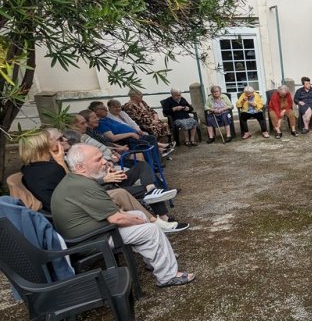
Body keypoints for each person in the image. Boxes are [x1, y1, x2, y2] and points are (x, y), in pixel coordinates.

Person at [51, 145, 195, 287]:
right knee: (151, 230)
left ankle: (154, 261)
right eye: (98, 159)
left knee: (139, 215)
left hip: (90, 233)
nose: (104, 162)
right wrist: (139, 221)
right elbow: (116, 219)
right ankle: (168, 277)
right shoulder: (84, 186)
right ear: (81, 167)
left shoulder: (75, 180)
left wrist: (136, 218)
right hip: (90, 241)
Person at [19, 131, 185, 232]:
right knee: (140, 191)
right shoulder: (52, 168)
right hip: (85, 203)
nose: (63, 141)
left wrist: (105, 168)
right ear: (44, 146)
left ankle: (158, 209)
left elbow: (76, 184)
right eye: (58, 139)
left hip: (86, 195)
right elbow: (76, 188)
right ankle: (160, 219)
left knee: (142, 173)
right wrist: (103, 178)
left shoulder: (30, 168)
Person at [105, 99, 173, 154]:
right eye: (115, 107)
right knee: (148, 137)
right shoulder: (108, 117)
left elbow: (131, 122)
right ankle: (160, 149)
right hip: (126, 136)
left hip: (133, 131)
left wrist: (138, 130)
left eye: (119, 107)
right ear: (109, 107)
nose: (118, 109)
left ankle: (159, 150)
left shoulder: (122, 113)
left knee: (148, 135)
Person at [90, 101, 157, 150]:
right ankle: (154, 163)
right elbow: (112, 138)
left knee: (150, 137)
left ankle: (156, 162)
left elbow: (130, 123)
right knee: (149, 140)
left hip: (134, 135)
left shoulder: (106, 119)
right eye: (102, 108)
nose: (106, 109)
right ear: (95, 111)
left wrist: (137, 130)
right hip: (127, 140)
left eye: (105, 107)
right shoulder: (100, 123)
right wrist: (131, 134)